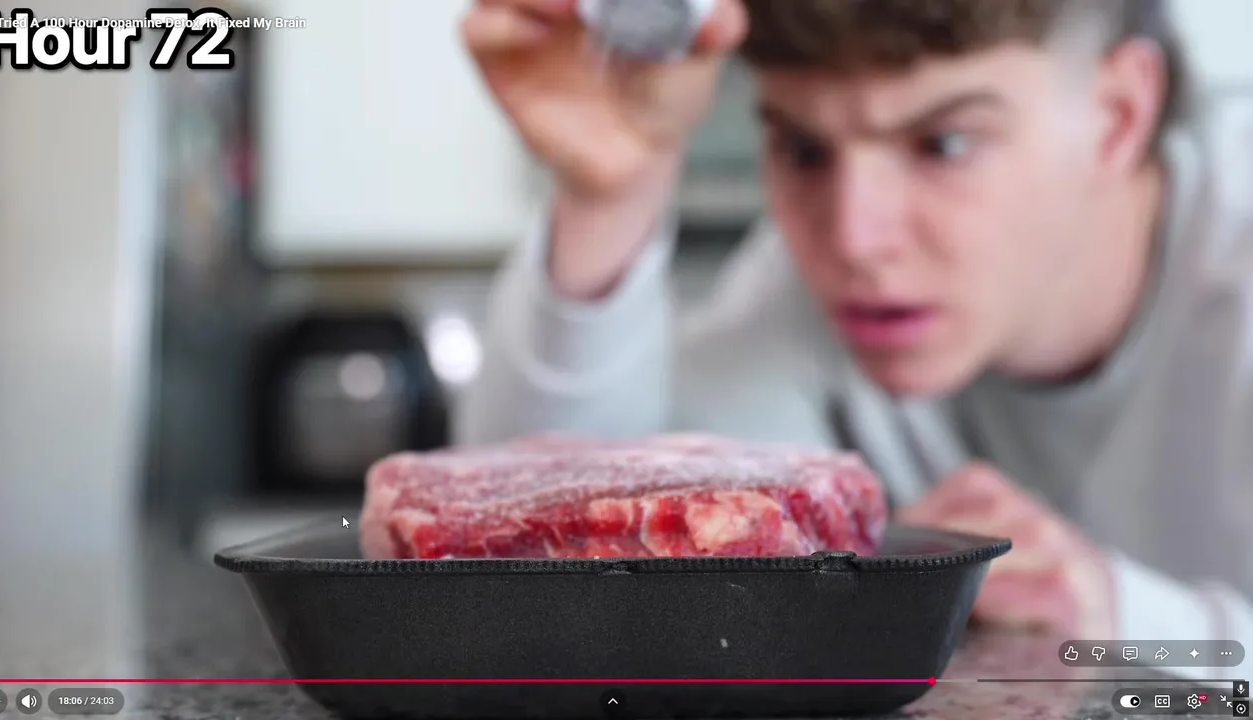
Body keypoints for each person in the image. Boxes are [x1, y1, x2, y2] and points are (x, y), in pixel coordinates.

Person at [456, 0, 1252, 663]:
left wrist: (1128, 619)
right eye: (803, 149)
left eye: (943, 144)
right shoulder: (795, 291)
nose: (855, 238)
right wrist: (609, 200)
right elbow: (543, 582)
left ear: (1117, 117)